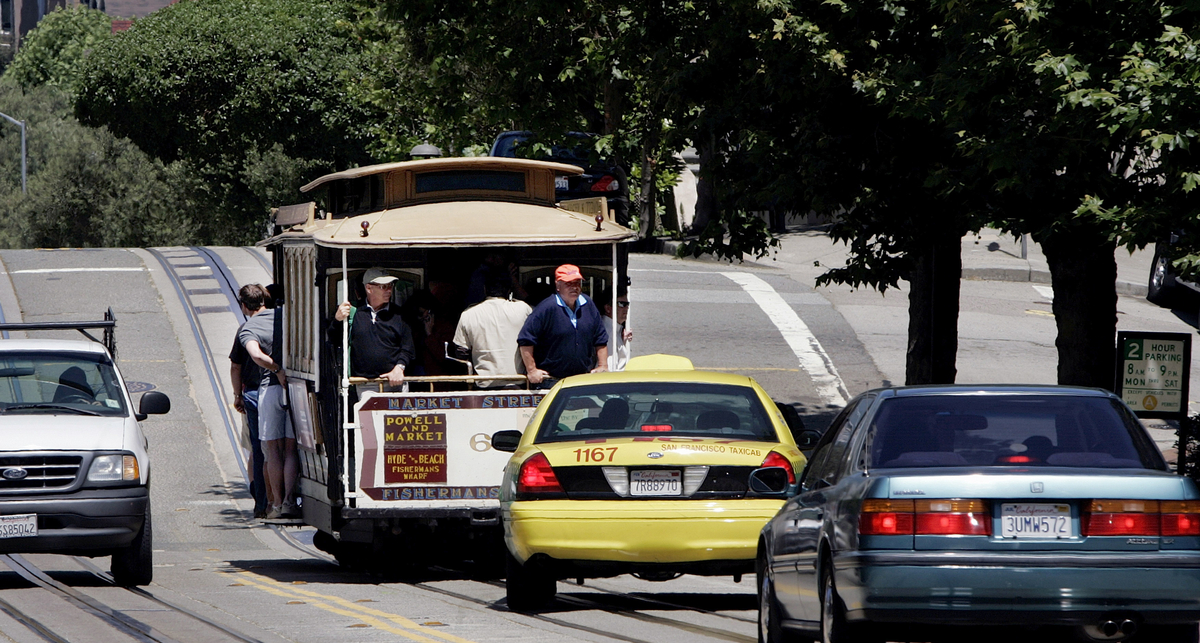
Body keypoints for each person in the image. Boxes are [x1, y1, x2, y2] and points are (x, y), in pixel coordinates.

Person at [238, 285, 298, 520]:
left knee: (272, 450)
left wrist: (276, 369)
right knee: (292, 448)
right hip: (296, 388)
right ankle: (290, 500)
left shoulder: (248, 328)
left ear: (244, 305)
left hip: (270, 390)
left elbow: (256, 355)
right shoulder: (284, 317)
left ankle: (276, 504)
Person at [517, 264, 608, 389]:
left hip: (582, 380)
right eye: (569, 284)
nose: (574, 287)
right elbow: (525, 339)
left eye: (577, 283)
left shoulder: (588, 305)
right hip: (551, 382)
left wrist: (603, 366)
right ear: (558, 285)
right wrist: (532, 370)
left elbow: (600, 338)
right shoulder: (546, 308)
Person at [331, 268, 415, 391]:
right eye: (383, 287)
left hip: (395, 383)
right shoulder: (355, 313)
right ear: (369, 288)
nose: (389, 290)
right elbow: (333, 339)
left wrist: (399, 368)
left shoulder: (400, 315)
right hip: (365, 384)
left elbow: (408, 348)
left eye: (390, 286)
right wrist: (337, 319)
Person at [453, 267, 532, 388]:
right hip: (518, 382)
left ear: (485, 289)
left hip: (484, 383)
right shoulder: (523, 309)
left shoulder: (468, 314)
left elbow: (461, 352)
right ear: (509, 290)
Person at [230, 285, 270, 519]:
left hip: (254, 395)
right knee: (280, 448)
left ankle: (261, 501)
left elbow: (236, 366)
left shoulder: (246, 329)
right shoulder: (279, 321)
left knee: (259, 448)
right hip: (281, 390)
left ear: (244, 305)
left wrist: (237, 396)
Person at [597, 287, 633, 371]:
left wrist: (622, 341)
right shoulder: (608, 333)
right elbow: (610, 369)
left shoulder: (614, 330)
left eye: (627, 304)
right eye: (621, 304)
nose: (626, 308)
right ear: (608, 308)